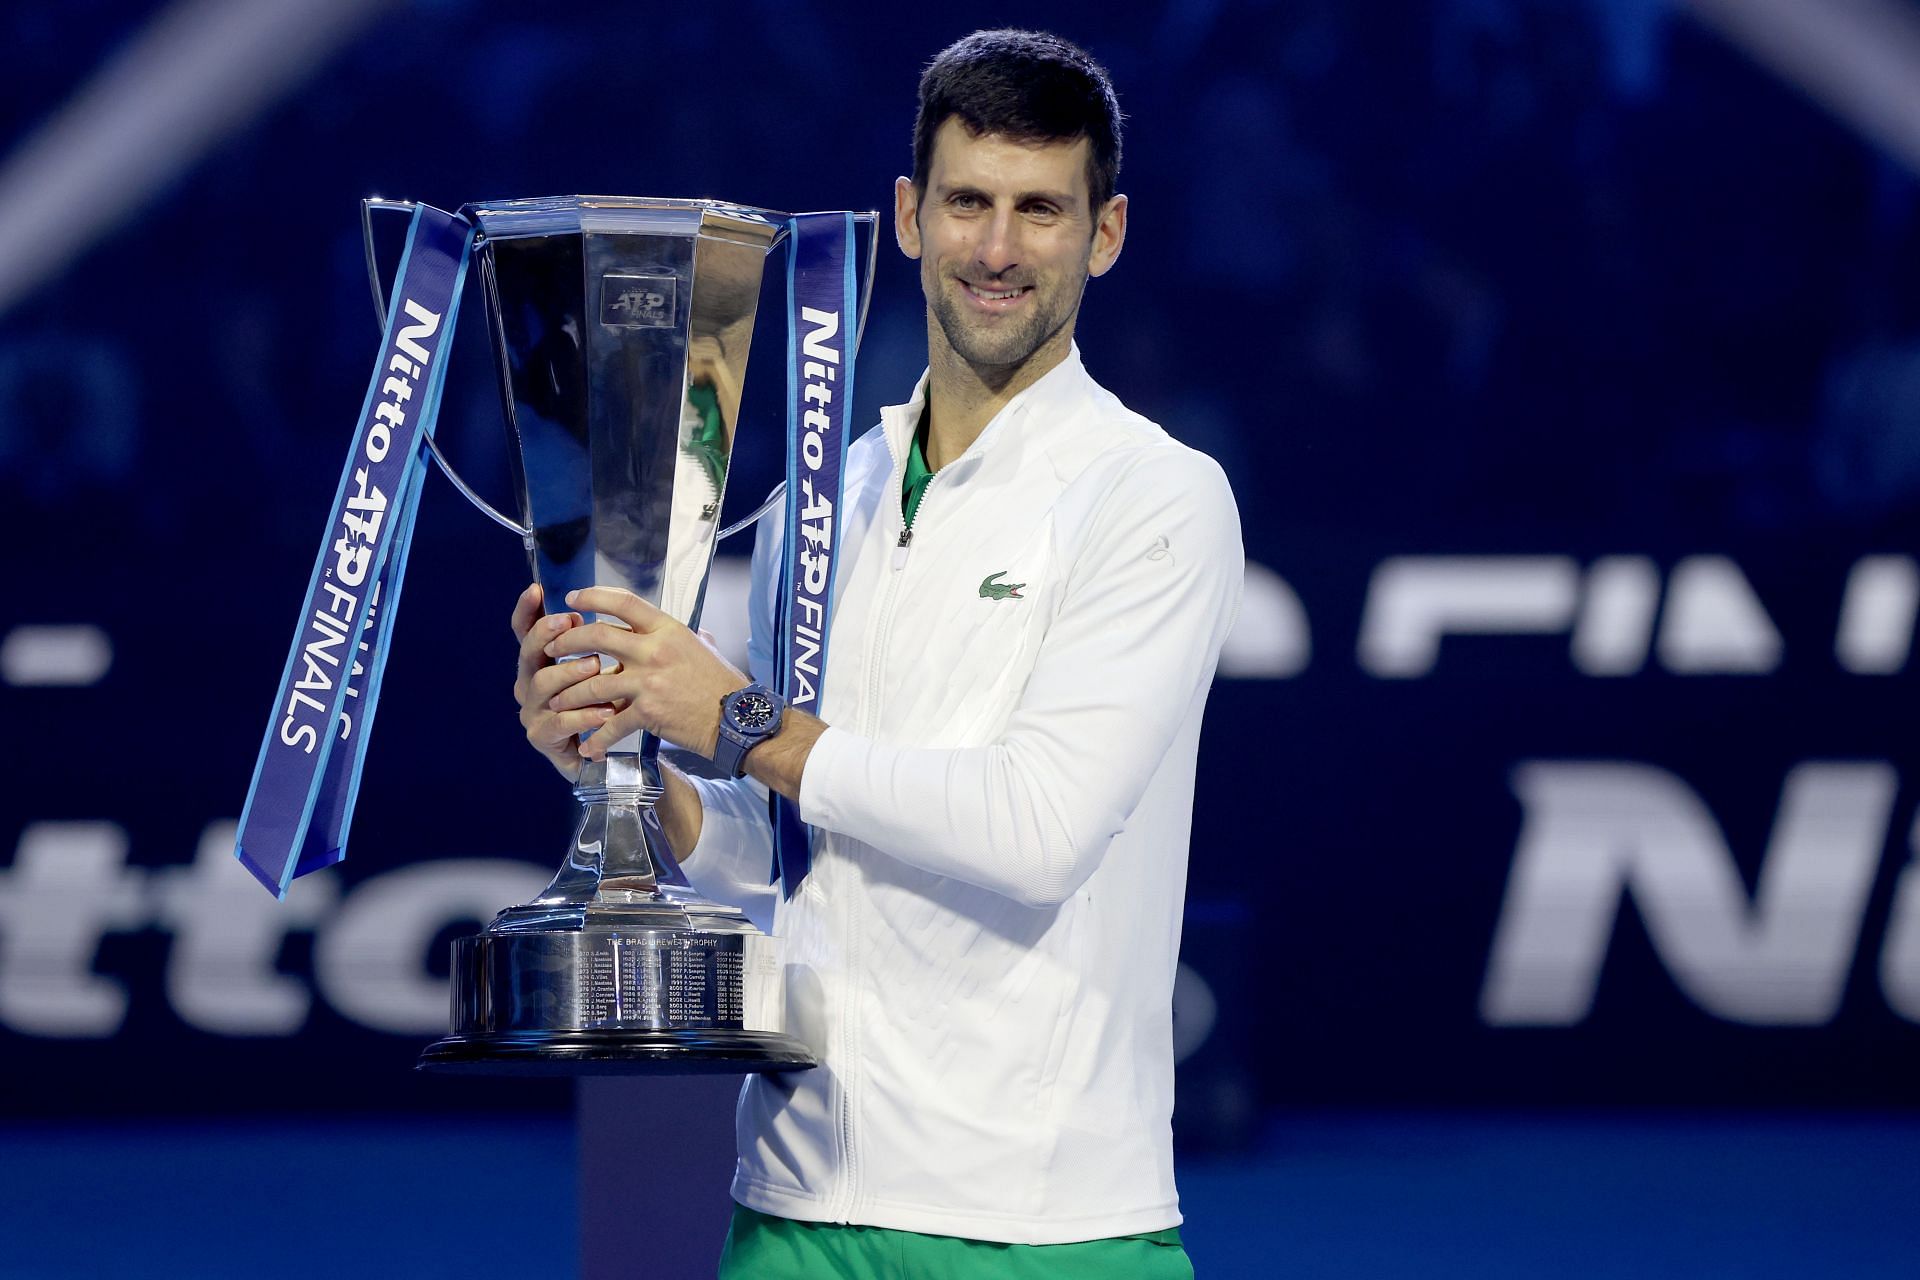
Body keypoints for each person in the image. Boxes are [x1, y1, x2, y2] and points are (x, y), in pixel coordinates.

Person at [511, 29, 1241, 1278]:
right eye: (967, 202)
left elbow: (1036, 828)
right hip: (792, 1200)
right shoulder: (825, 497)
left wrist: (736, 720)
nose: (998, 249)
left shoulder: (1155, 495)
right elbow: (796, 842)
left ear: (1105, 233)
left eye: (1040, 211)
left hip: (1043, 1222)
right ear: (909, 216)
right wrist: (644, 782)